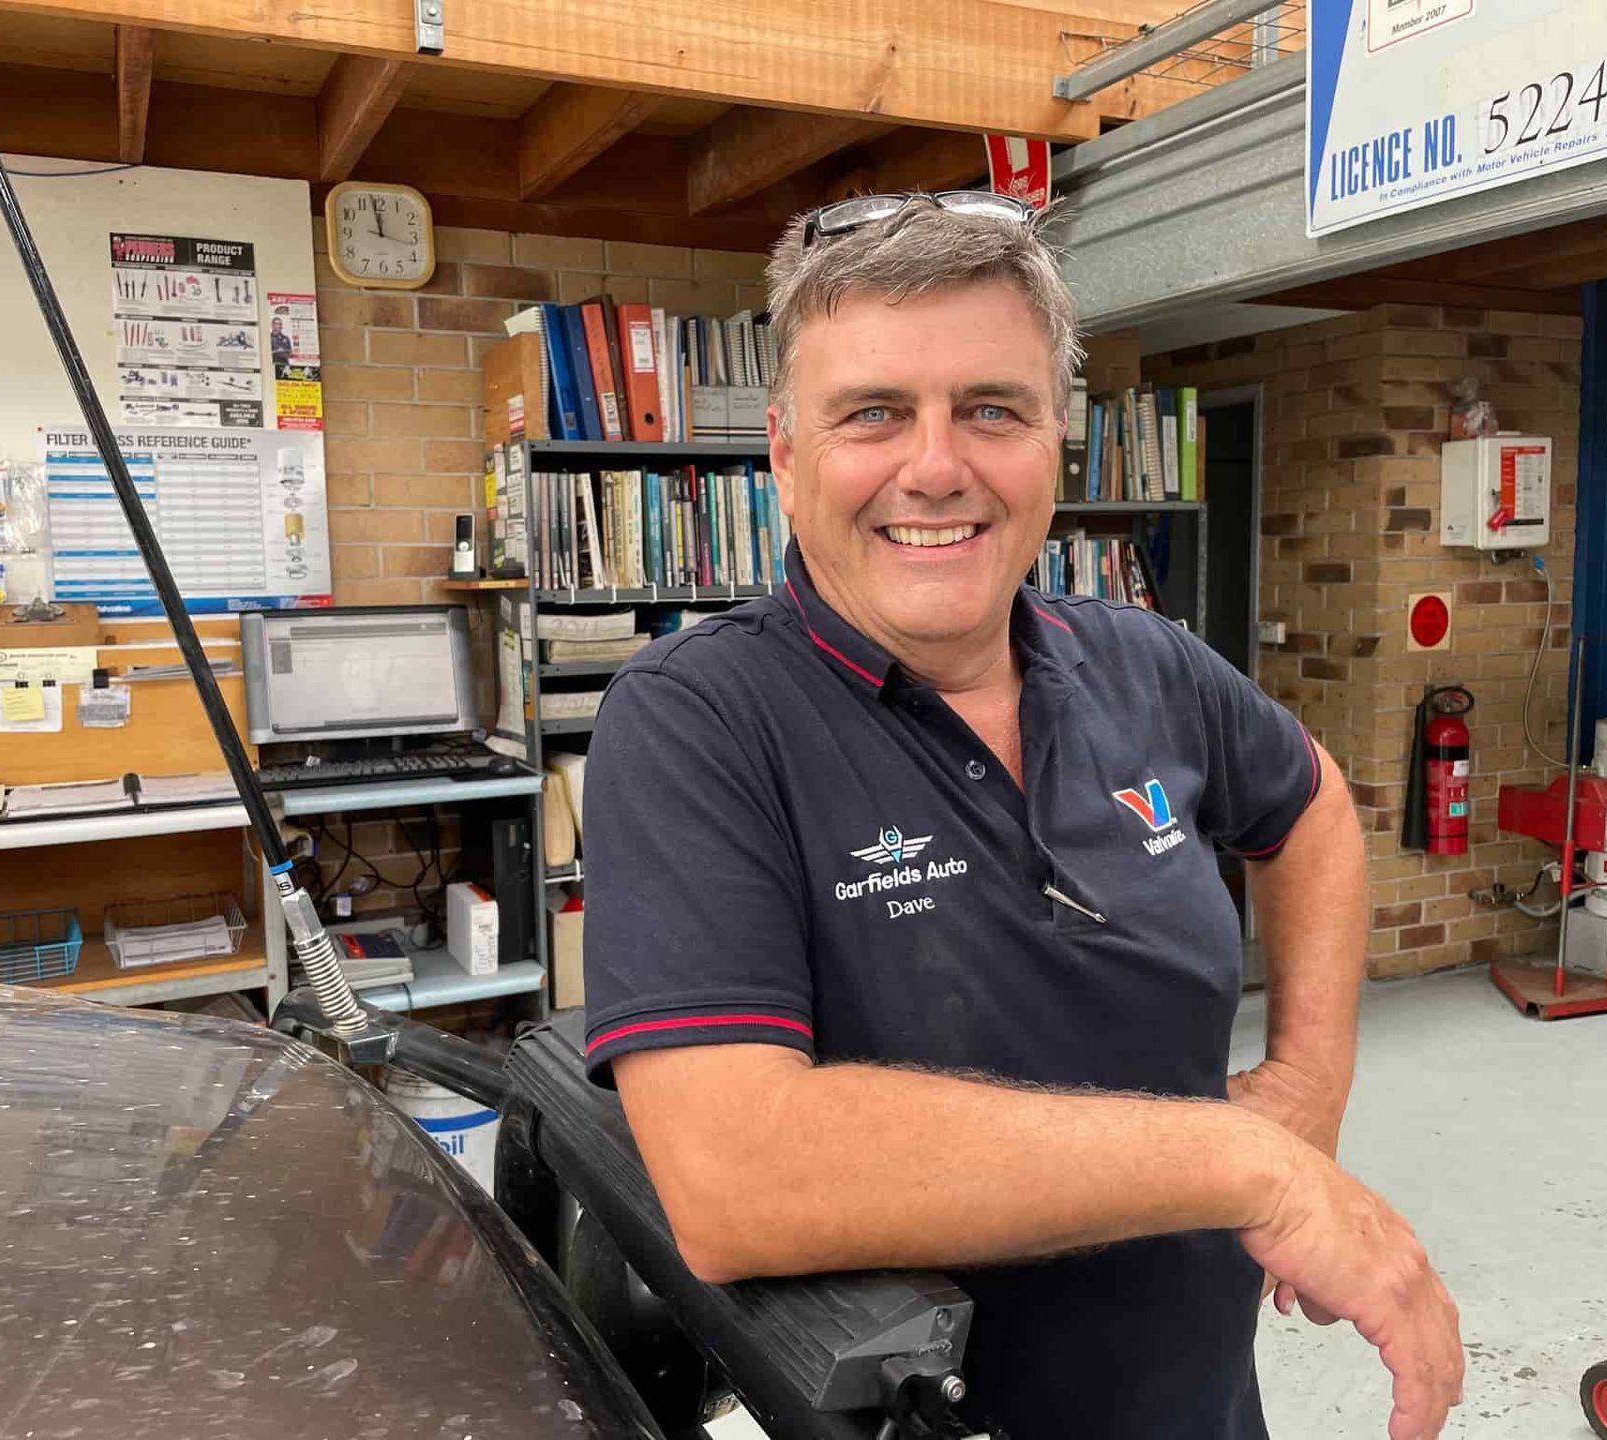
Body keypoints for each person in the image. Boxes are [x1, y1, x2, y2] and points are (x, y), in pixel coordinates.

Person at [581, 192, 1462, 1440]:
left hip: (1199, 1403)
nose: (935, 466)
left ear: (1060, 442)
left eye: (991, 409)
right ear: (783, 454)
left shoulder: (1150, 666)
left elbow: (1312, 807)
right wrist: (1251, 1165)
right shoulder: (695, 723)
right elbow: (735, 1175)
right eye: (874, 412)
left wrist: (1309, 1083)